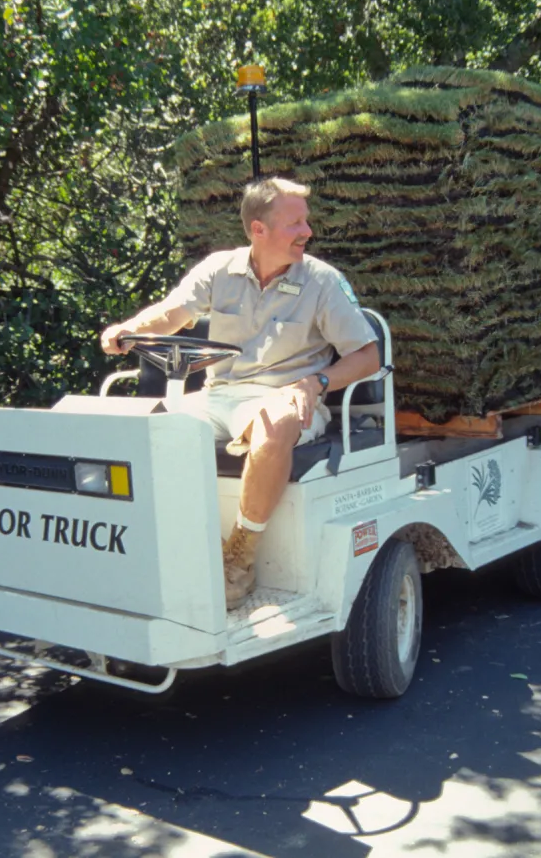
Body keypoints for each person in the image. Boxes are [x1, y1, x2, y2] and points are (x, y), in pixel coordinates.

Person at [101, 178, 379, 608]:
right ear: (258, 229)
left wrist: (316, 382)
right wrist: (129, 329)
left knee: (275, 423)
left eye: (306, 221)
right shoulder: (218, 269)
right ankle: (165, 543)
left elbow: (367, 357)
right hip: (217, 396)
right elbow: (173, 313)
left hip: (286, 396)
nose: (308, 231)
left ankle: (240, 555)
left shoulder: (323, 281)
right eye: (295, 223)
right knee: (139, 430)